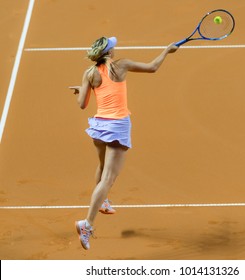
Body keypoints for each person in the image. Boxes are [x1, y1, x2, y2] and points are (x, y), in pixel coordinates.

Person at [69, 36, 178, 250]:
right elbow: (153, 67)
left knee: (102, 167)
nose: (115, 48)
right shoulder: (122, 65)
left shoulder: (89, 73)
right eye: (113, 47)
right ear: (109, 53)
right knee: (109, 178)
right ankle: (87, 224)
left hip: (99, 126)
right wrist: (166, 50)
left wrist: (79, 92)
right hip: (117, 127)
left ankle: (104, 201)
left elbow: (82, 104)